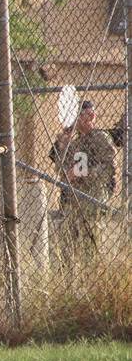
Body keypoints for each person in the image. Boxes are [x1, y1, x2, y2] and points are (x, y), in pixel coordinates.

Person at [51, 100, 116, 255]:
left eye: (93, 113)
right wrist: (62, 146)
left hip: (93, 198)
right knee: (70, 245)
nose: (92, 116)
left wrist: (84, 172)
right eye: (86, 114)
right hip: (73, 201)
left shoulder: (100, 137)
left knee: (92, 244)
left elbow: (108, 168)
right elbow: (62, 171)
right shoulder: (74, 142)